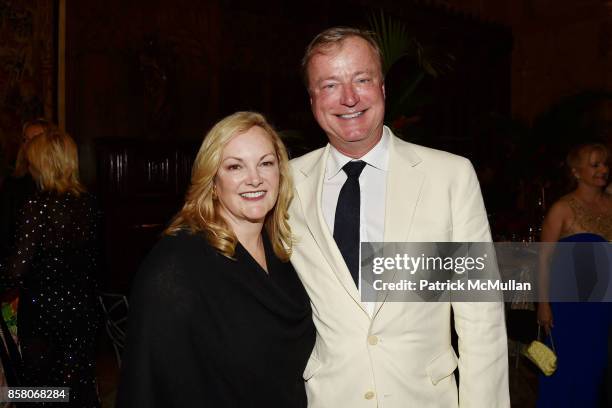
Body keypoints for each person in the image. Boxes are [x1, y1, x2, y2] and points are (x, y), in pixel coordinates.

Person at [288, 27, 510, 407]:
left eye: (362, 79)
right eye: (329, 85)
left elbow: (481, 316)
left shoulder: (450, 176)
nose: (349, 97)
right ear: (311, 100)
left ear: (383, 88)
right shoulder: (284, 184)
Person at [117, 112, 315, 407]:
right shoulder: (175, 265)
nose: (255, 178)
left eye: (266, 163)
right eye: (235, 166)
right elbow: (145, 386)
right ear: (212, 181)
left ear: (281, 174)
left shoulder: (285, 253)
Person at [0, 128, 101, 407]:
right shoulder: (89, 204)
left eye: (33, 163)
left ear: (43, 164)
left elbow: (16, 269)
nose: (30, 170)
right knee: (76, 386)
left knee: (41, 391)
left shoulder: (37, 206)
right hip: (82, 311)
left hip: (44, 314)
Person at [536, 143, 612, 407]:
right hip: (569, 307)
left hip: (602, 307)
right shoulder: (563, 208)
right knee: (563, 370)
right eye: (595, 165)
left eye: (605, 164)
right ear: (576, 172)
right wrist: (543, 305)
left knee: (594, 370)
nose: (603, 169)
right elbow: (543, 259)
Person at [0, 118, 50, 256]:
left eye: (35, 139)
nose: (28, 145)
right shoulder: (13, 184)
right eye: (26, 140)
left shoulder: (59, 185)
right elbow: (5, 234)